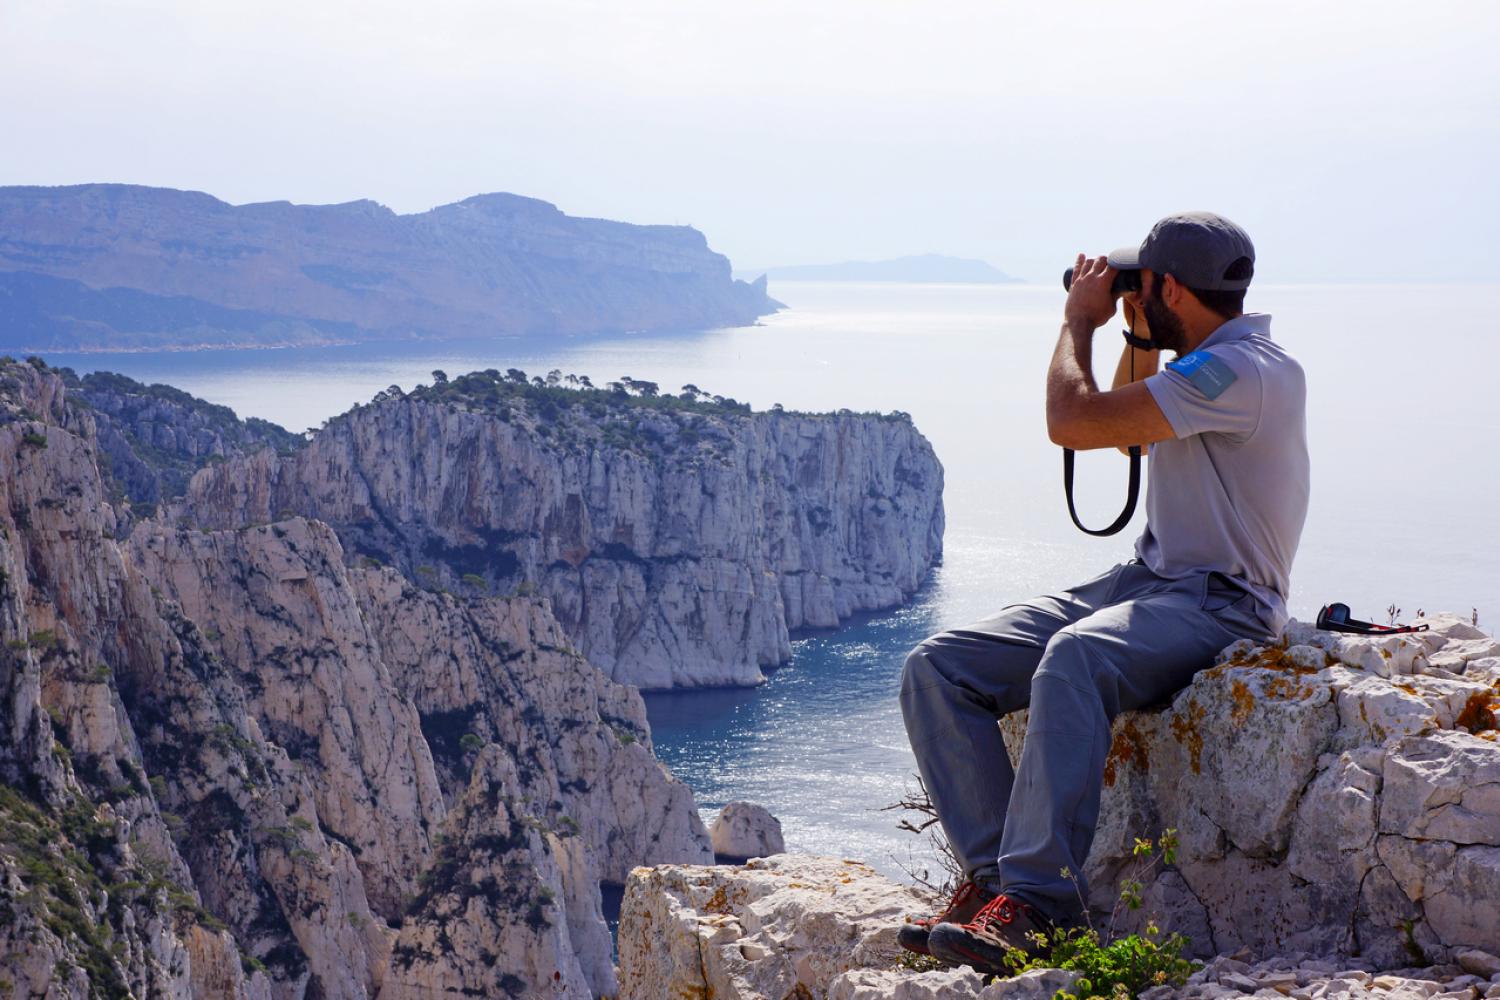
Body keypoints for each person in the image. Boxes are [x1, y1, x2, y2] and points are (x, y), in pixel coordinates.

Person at [896, 211, 1310, 974]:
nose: (1127, 291)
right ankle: (997, 889)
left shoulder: (1240, 370)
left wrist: (1078, 325)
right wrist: (1143, 332)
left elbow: (1074, 421)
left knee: (1075, 656)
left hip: (1222, 601)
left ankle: (1040, 908)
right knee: (937, 667)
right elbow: (1130, 433)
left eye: (1141, 283)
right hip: (1151, 581)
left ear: (1170, 288)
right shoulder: (1205, 363)